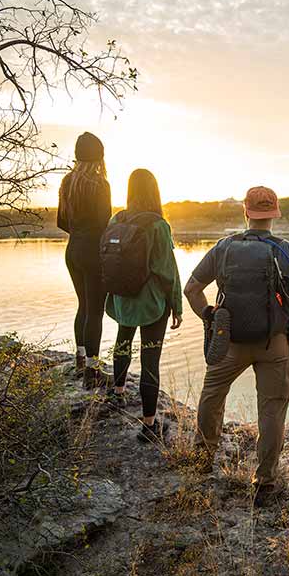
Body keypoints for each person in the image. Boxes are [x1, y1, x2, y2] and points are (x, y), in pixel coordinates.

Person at [183, 186, 289, 506]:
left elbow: (192, 289)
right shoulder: (287, 250)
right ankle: (264, 482)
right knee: (272, 410)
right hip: (275, 343)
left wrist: (210, 318)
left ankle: (203, 461)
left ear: (245, 212)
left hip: (229, 343)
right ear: (275, 213)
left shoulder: (223, 247)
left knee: (212, 395)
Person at [104, 169, 183, 443]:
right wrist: (177, 306)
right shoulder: (158, 225)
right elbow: (167, 271)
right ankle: (149, 425)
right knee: (150, 359)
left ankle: (117, 393)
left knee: (122, 342)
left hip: (122, 297)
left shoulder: (117, 218)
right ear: (154, 191)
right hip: (151, 302)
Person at [57, 132, 112, 389]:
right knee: (95, 311)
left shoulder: (67, 182)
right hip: (93, 253)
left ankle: (79, 359)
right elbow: (105, 223)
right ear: (99, 156)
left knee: (83, 305)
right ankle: (92, 372)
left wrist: (78, 236)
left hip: (73, 251)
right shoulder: (100, 184)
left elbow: (60, 222)